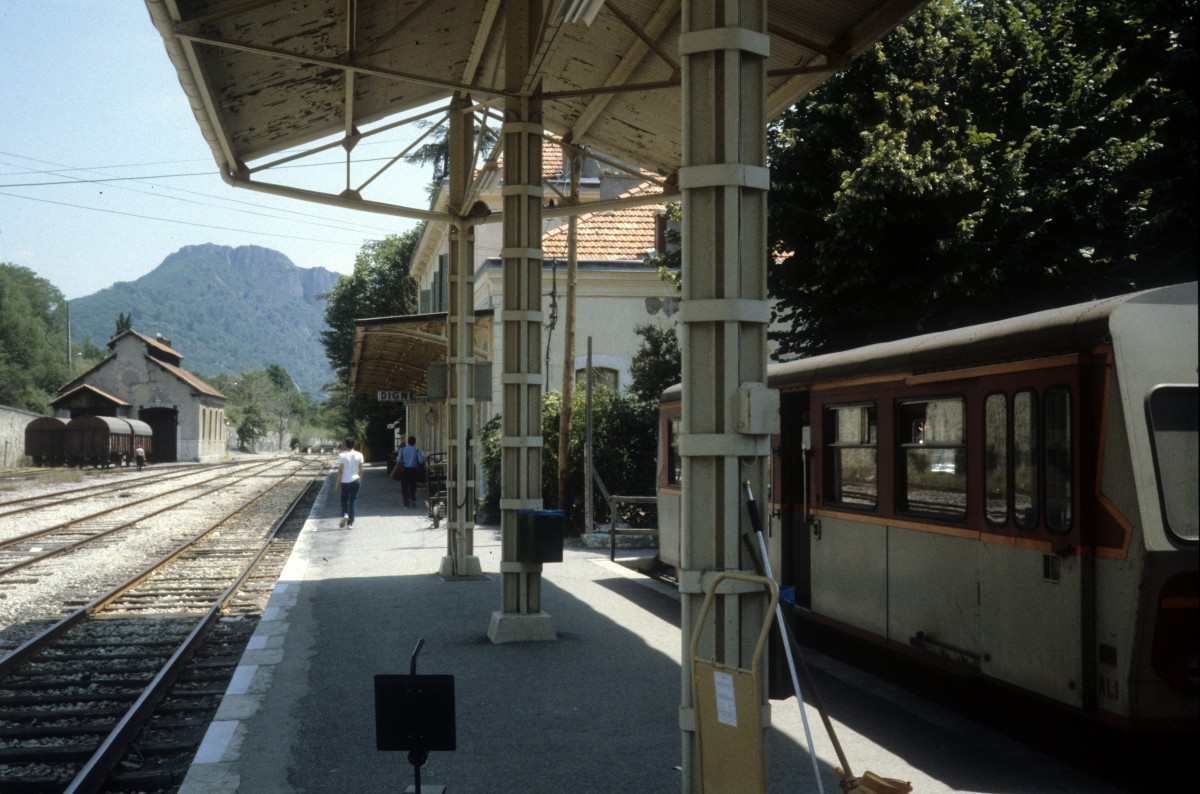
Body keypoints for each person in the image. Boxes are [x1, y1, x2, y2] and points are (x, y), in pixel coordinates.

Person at [334, 437, 364, 528]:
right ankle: (350, 524)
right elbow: (361, 470)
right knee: (353, 500)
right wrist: (360, 479)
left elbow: (340, 471)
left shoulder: (342, 455)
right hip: (355, 479)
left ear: (345, 445)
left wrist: (337, 484)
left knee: (344, 499)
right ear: (354, 444)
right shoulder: (359, 455)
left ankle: (345, 514)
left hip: (345, 481)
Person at [396, 435, 424, 508]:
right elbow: (421, 461)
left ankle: (406, 503)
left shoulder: (402, 449)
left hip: (404, 470)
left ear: (408, 442)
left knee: (404, 486)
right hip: (413, 470)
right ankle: (412, 496)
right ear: (414, 443)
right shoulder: (417, 451)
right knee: (413, 485)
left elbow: (398, 459)